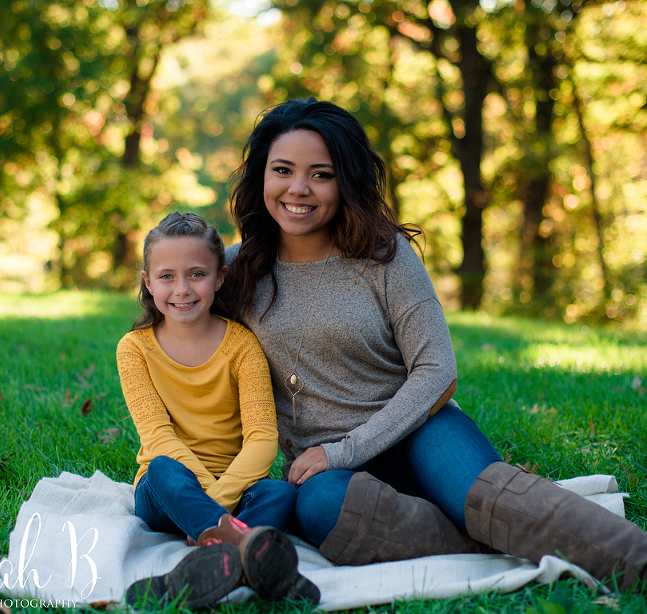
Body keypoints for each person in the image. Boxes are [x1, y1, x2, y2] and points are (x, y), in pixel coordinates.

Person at [224, 98, 647, 591]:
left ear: (346, 183)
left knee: (494, 497)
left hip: (421, 433)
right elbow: (169, 305)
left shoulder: (384, 254)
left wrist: (344, 450)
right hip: (328, 472)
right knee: (320, 507)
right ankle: (482, 537)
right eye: (283, 170)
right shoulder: (236, 270)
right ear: (261, 176)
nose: (298, 188)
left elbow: (437, 370)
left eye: (321, 174)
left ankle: (634, 560)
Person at [117, 212, 319, 607]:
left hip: (236, 486)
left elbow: (263, 439)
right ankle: (254, 556)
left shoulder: (242, 346)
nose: (182, 289)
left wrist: (217, 499)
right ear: (148, 282)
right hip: (167, 494)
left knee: (279, 492)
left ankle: (203, 569)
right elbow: (157, 437)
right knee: (163, 470)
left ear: (220, 277)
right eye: (166, 276)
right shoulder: (135, 349)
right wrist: (210, 502)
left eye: (197, 274)